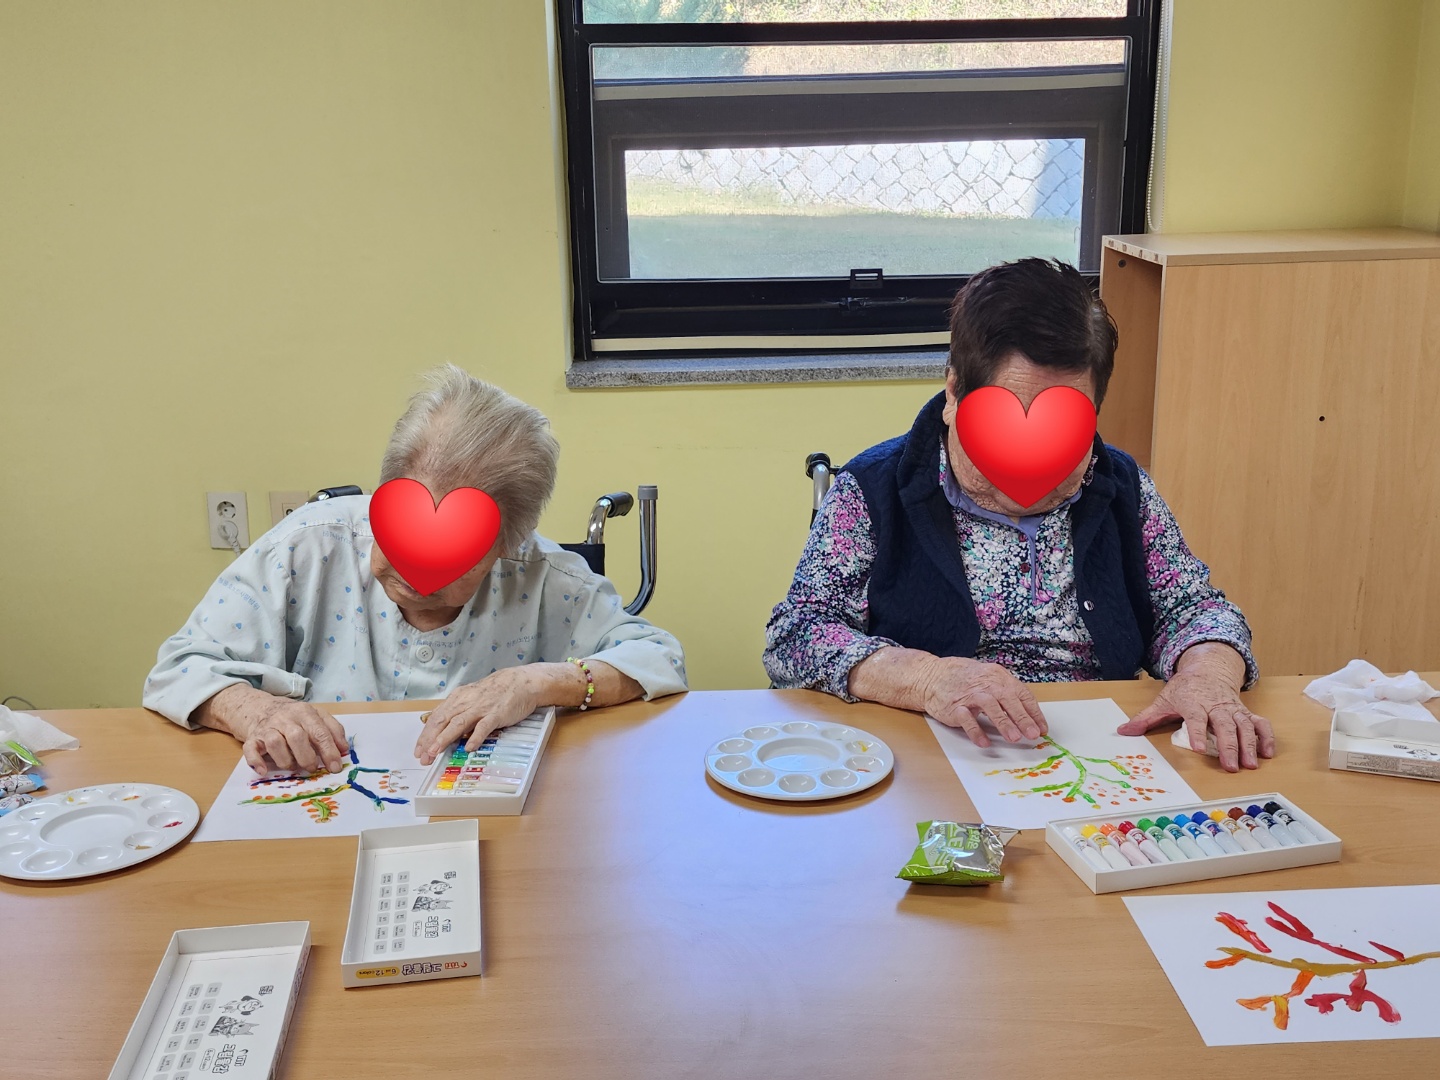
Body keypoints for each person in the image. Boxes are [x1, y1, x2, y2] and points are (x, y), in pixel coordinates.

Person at [763, 259, 1272, 773]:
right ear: (954, 393)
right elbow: (796, 635)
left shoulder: (1121, 486)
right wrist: (926, 678)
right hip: (924, 762)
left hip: (1099, 756)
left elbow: (1193, 610)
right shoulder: (873, 489)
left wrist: (1207, 674)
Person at [144, 365, 687, 774]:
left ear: (507, 544)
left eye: (457, 545)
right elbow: (181, 666)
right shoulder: (307, 546)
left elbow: (658, 658)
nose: (414, 565)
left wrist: (538, 681)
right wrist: (257, 711)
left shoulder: (547, 578)